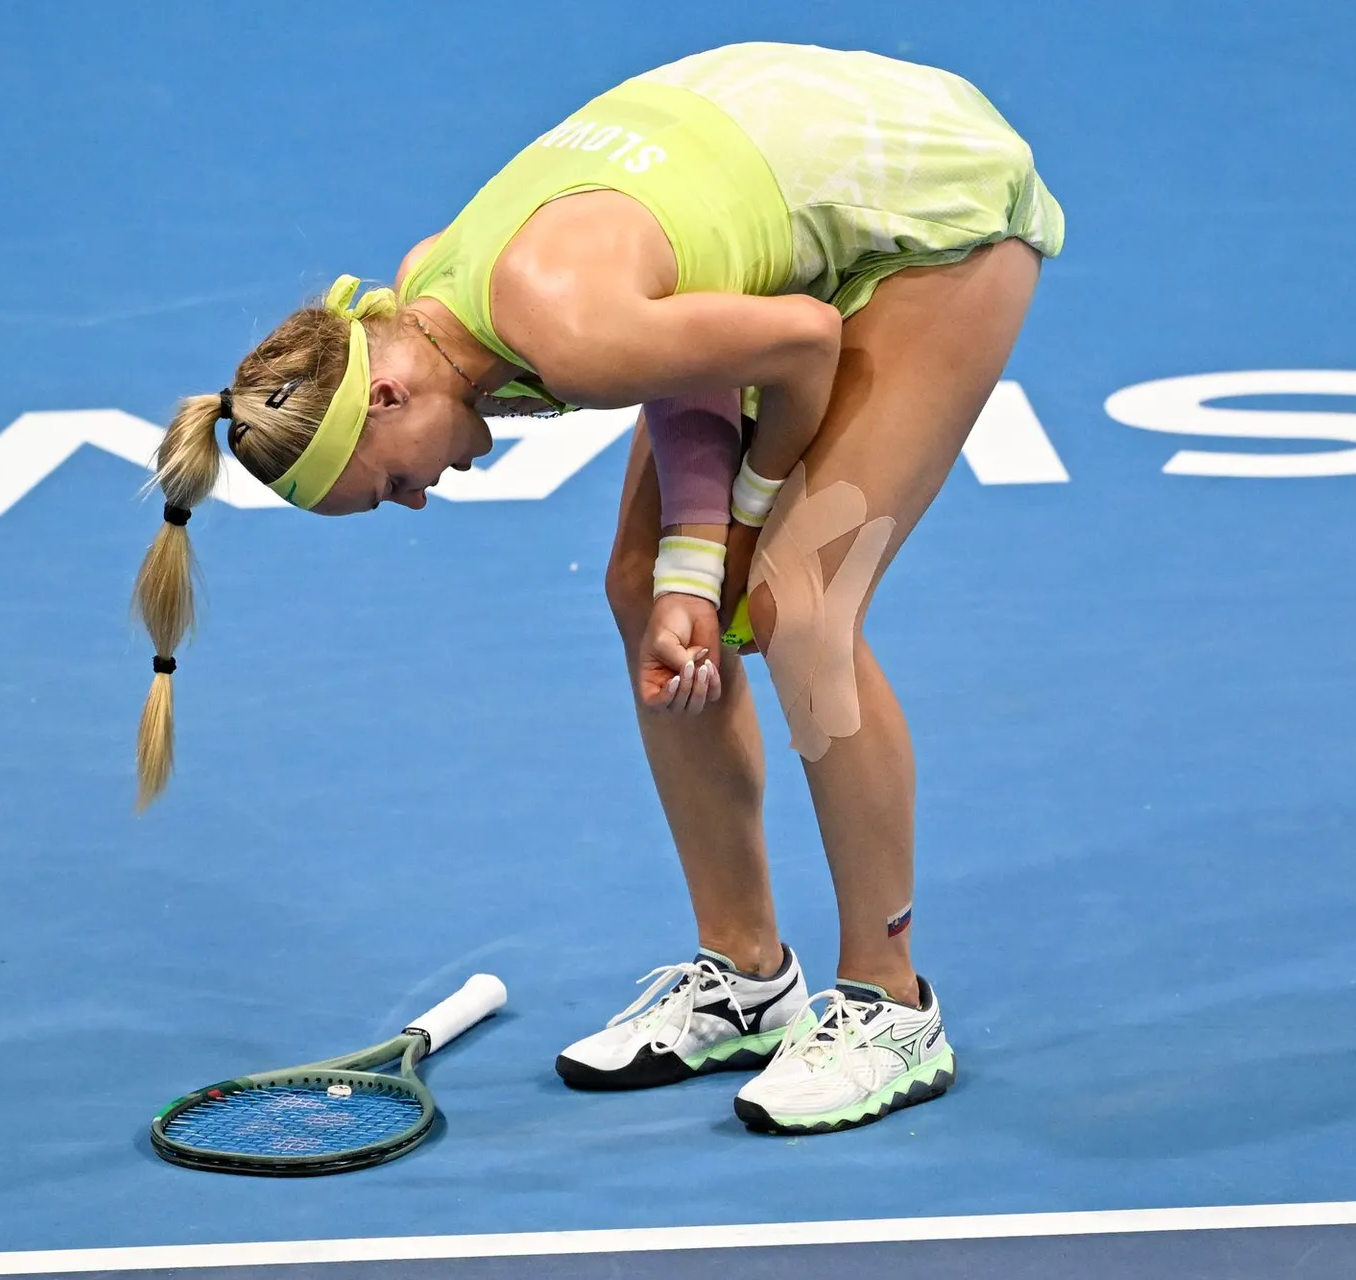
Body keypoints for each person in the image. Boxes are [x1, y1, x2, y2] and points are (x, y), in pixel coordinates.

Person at [133, 42, 1063, 1135]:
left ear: (384, 396)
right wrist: (687, 569)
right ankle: (747, 975)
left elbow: (802, 345)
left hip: (927, 202)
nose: (419, 500)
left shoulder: (564, 332)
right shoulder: (432, 302)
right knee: (641, 586)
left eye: (390, 485)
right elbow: (691, 346)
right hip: (776, 172)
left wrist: (741, 531)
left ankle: (890, 1004)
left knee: (800, 599)